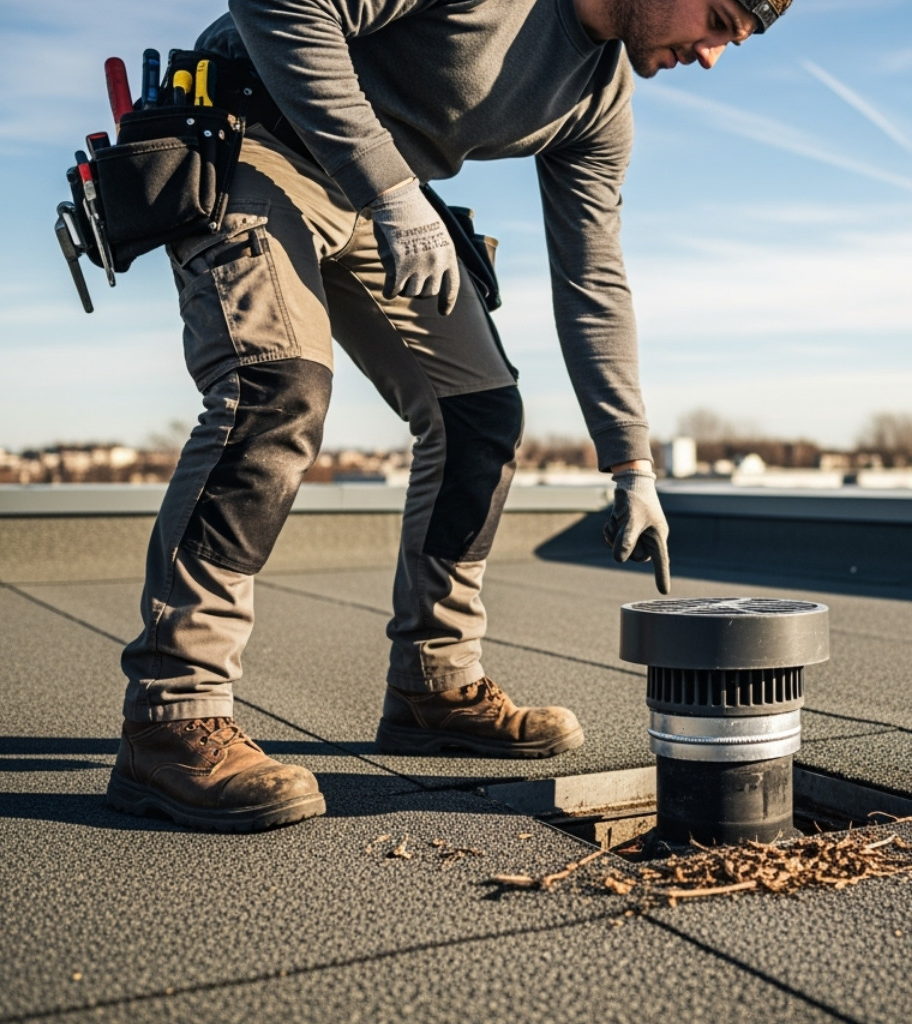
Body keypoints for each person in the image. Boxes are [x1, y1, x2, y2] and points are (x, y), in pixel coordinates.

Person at [105, 0, 791, 833]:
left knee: (480, 416)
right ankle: (173, 717)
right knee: (276, 389)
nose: (714, 56)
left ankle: (434, 686)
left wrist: (632, 465)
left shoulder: (599, 102)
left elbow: (594, 281)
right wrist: (393, 189)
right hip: (258, 132)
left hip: (376, 191)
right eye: (718, 19)